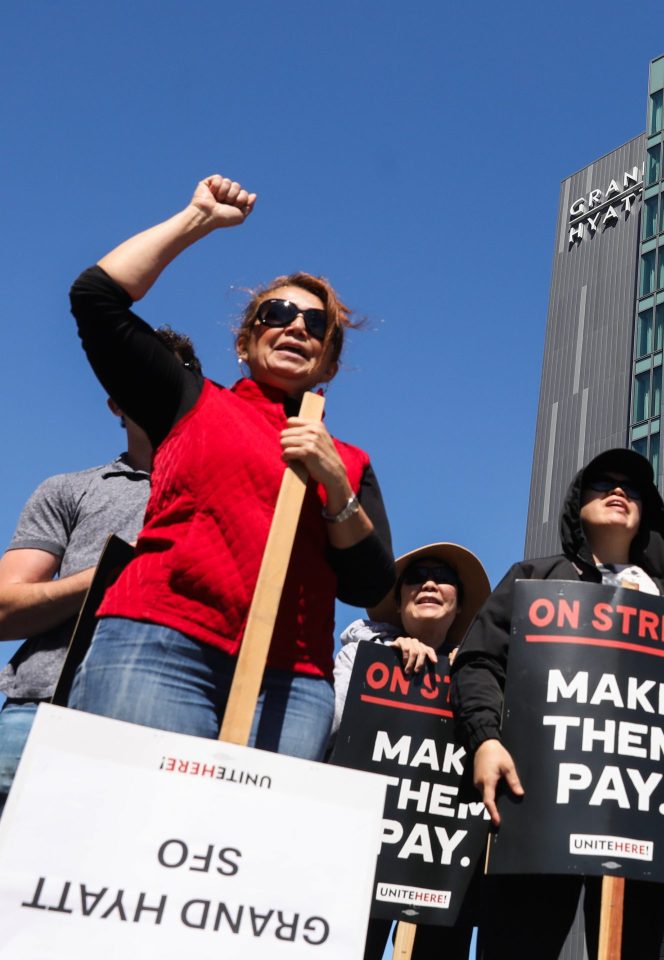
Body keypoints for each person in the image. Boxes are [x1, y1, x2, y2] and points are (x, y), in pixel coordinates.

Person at [66, 174, 394, 761]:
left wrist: (333, 482)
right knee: (137, 812)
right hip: (160, 643)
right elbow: (96, 298)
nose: (297, 326)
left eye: (317, 325)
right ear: (244, 343)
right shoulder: (190, 401)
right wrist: (198, 219)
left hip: (293, 685)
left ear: (328, 366)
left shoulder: (348, 461)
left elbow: (369, 585)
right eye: (277, 313)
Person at [452, 448, 664, 960]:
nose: (618, 491)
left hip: (642, 816)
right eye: (602, 483)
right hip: (537, 801)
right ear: (576, 505)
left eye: (632, 487)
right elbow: (478, 662)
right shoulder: (535, 580)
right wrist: (486, 739)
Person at [0, 331, 200, 814]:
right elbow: (5, 608)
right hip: (44, 713)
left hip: (175, 732)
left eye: (175, 375)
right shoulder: (69, 490)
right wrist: (110, 574)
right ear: (115, 403)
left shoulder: (234, 499)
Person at [331, 543, 490, 960]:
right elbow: (331, 728)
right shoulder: (359, 656)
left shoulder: (480, 676)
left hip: (443, 857)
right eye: (416, 579)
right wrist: (383, 658)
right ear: (399, 602)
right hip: (358, 852)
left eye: (444, 578)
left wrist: (468, 676)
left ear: (459, 606)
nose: (430, 584)